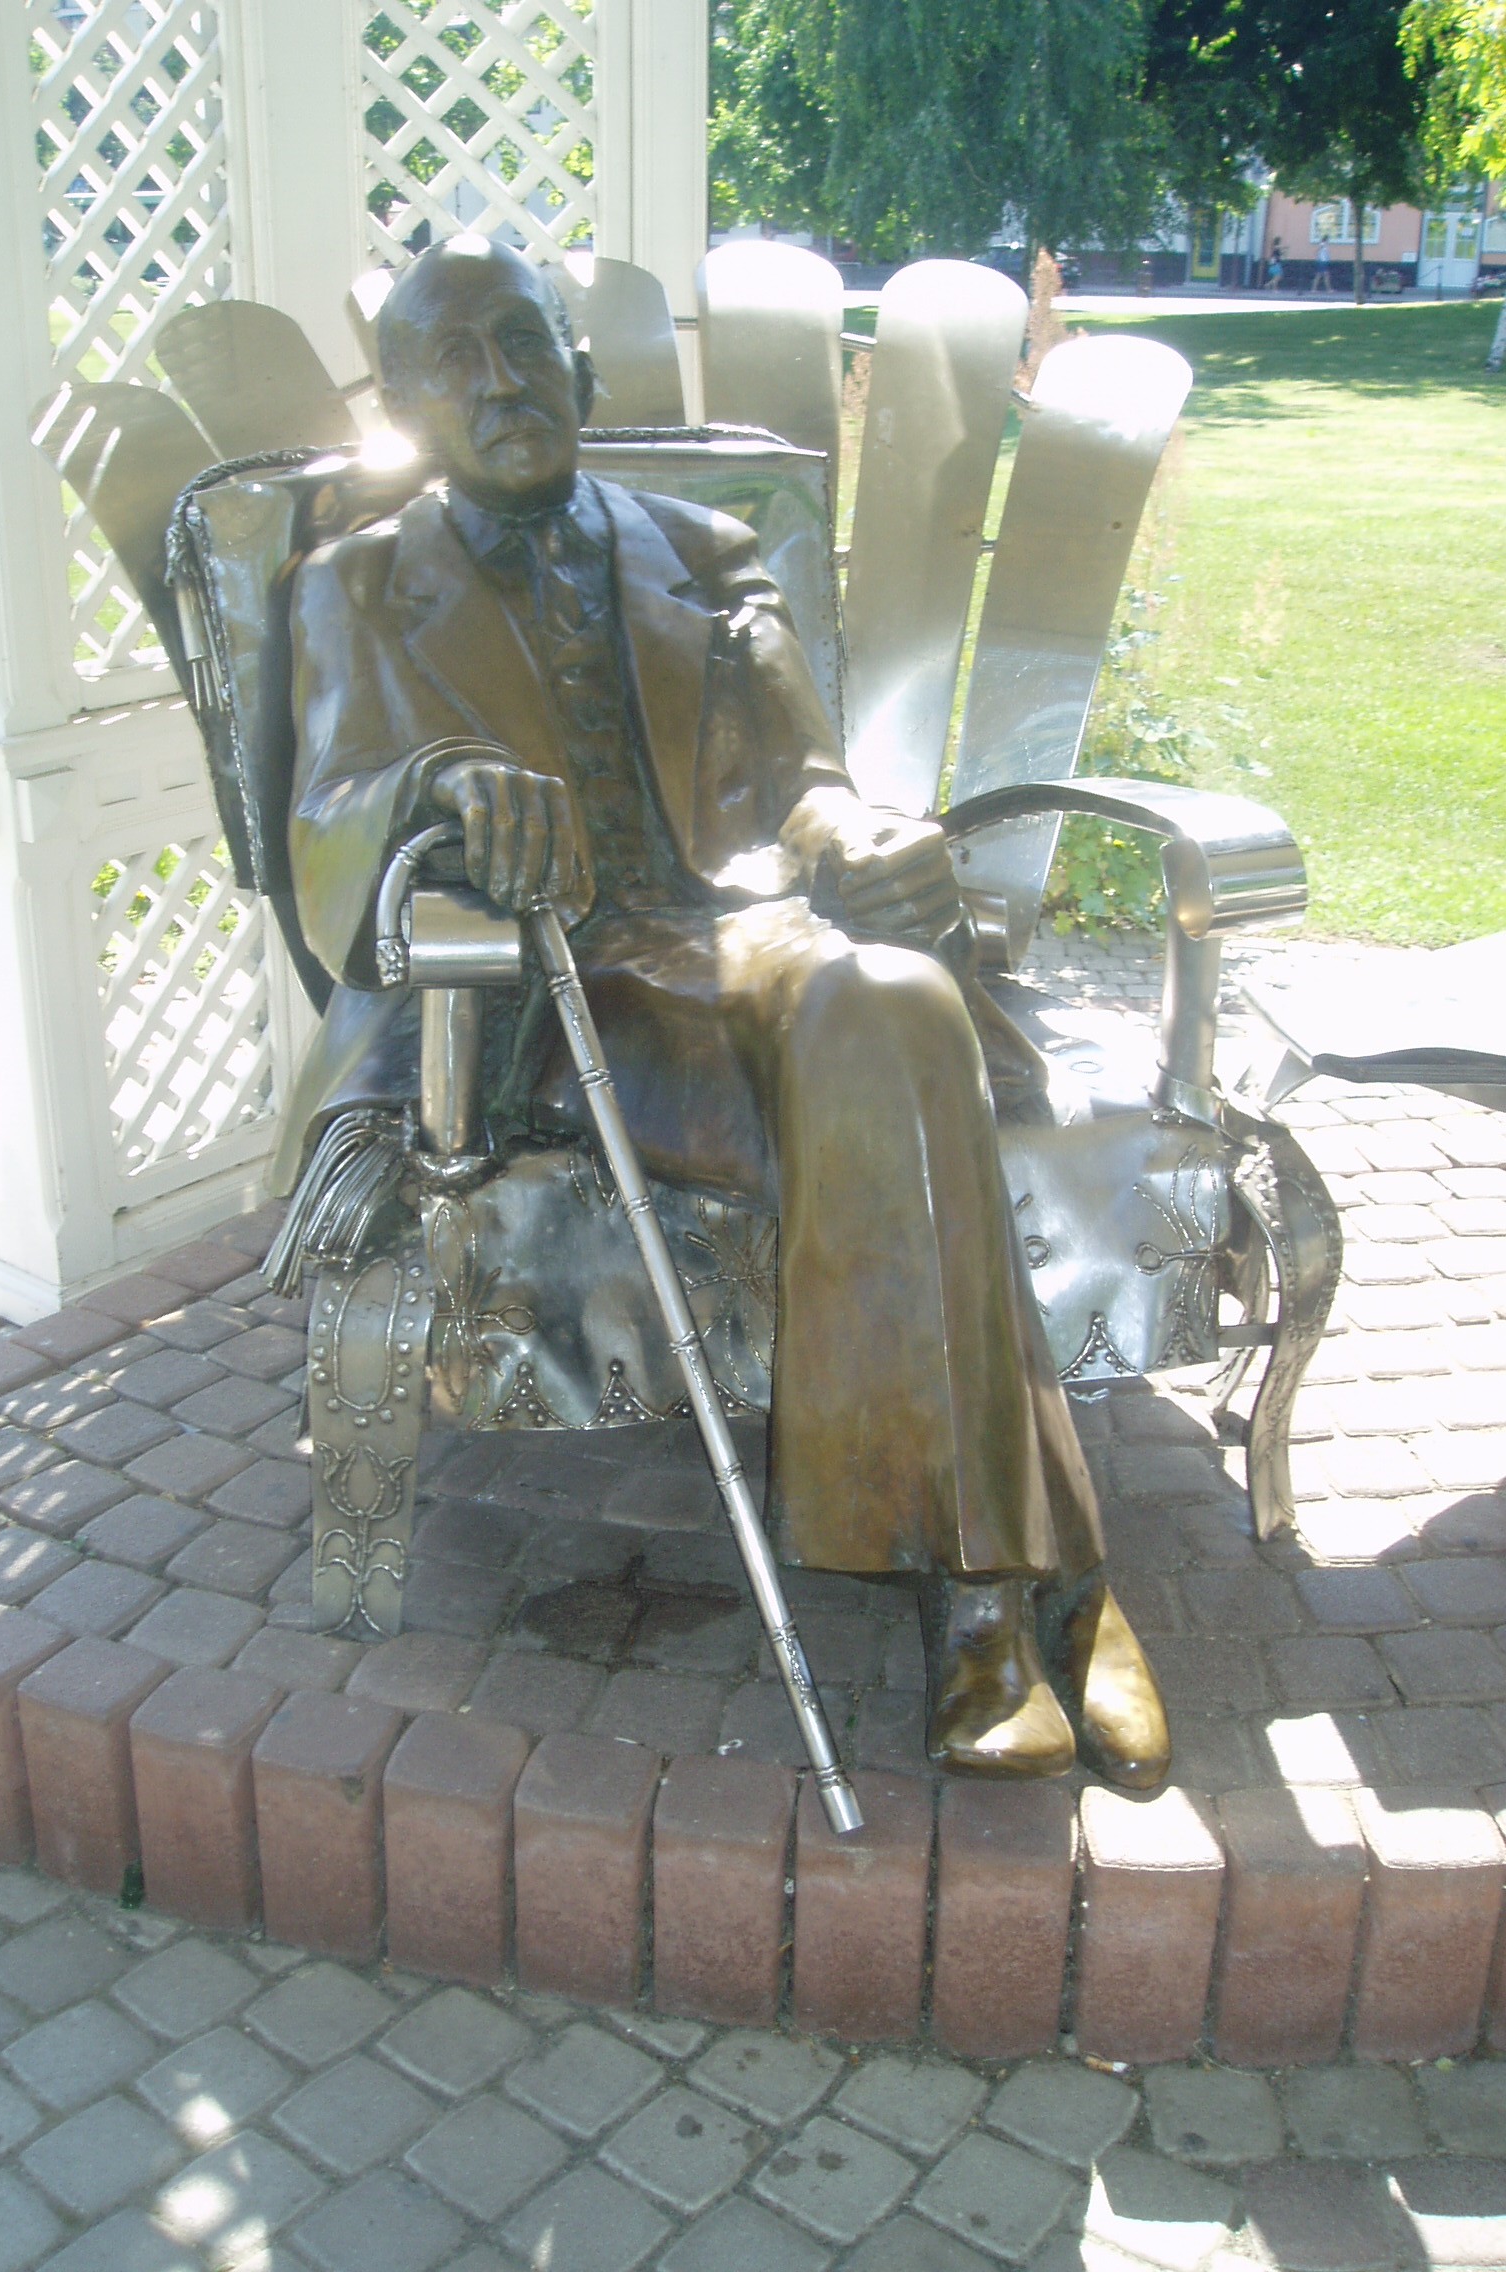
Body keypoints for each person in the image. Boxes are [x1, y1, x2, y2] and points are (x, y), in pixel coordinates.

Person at [283, 233, 1170, 1786]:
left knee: (899, 1000)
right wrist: (442, 784)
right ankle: (1051, 1585)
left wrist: (860, 837)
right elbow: (330, 809)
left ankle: (980, 1597)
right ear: (405, 406)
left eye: (523, 341)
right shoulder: (353, 585)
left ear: (581, 366)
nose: (500, 381)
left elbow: (804, 783)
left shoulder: (699, 547)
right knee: (906, 1051)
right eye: (453, 360)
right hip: (556, 993)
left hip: (744, 932)